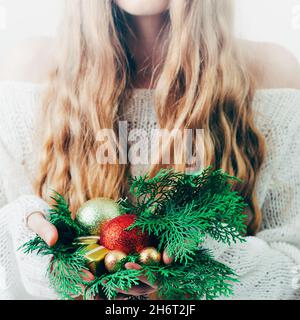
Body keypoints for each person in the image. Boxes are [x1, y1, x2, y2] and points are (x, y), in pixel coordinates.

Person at [0, 0, 300, 300]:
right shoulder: (29, 76)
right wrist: (26, 246)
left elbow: (293, 271)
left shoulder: (271, 79)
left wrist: (209, 259)